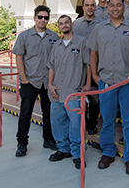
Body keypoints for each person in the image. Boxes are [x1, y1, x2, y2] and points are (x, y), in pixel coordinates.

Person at [87, 0, 129, 175]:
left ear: (125, 8)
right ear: (107, 8)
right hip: (106, 82)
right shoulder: (99, 29)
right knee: (108, 119)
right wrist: (95, 75)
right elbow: (93, 53)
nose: (116, 8)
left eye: (119, 5)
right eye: (112, 5)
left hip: (127, 82)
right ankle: (108, 152)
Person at [12, 5, 59, 157]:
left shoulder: (54, 37)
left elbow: (56, 60)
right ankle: (22, 143)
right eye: (40, 17)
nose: (43, 20)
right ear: (34, 18)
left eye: (46, 17)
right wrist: (24, 79)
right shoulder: (24, 36)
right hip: (30, 81)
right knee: (26, 113)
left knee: (48, 112)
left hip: (47, 82)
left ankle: (48, 139)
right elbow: (19, 57)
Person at [47, 15, 91, 169]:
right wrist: (50, 85)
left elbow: (88, 64)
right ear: (58, 26)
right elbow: (51, 66)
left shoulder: (81, 42)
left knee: (76, 124)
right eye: (61, 24)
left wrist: (88, 84)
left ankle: (78, 154)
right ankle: (63, 149)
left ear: (71, 24)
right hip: (57, 91)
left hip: (74, 91)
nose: (64, 25)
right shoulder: (56, 45)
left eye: (66, 22)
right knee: (58, 122)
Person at [73, 0, 100, 135]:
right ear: (83, 7)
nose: (90, 7)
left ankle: (92, 123)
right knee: (80, 96)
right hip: (79, 67)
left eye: (92, 5)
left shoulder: (101, 24)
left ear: (95, 8)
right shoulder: (76, 24)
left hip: (96, 66)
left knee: (95, 98)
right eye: (87, 5)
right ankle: (82, 122)